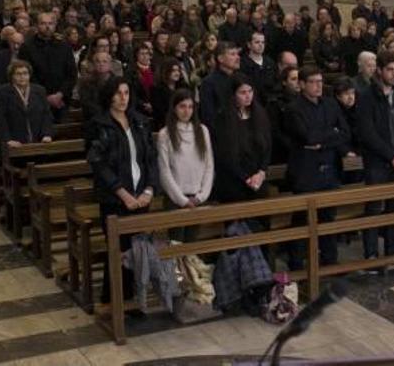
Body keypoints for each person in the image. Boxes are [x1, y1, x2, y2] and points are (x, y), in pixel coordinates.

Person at [87, 77, 157, 304]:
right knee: (119, 251)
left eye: (126, 93)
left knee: (139, 249)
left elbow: (151, 159)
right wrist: (123, 194)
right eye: (118, 93)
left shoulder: (140, 121)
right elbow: (99, 164)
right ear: (109, 96)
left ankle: (136, 299)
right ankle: (115, 302)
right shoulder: (99, 124)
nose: (122, 98)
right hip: (114, 199)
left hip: (141, 197)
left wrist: (149, 190)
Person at [284, 66, 351, 269]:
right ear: (302, 84)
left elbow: (345, 133)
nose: (318, 86)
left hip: (329, 169)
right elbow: (307, 137)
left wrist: (322, 142)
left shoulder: (330, 104)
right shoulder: (294, 108)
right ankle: (296, 262)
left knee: (328, 217)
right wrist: (331, 133)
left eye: (321, 81)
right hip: (306, 172)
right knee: (302, 219)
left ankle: (330, 260)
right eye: (313, 82)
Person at [356, 51, 394, 260]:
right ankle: (371, 253)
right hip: (377, 162)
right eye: (389, 69)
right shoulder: (366, 96)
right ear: (379, 71)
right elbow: (368, 133)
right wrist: (392, 156)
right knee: (374, 207)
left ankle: (393, 251)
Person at [157, 89, 214, 240]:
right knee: (176, 244)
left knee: (192, 244)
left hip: (197, 197)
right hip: (176, 199)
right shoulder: (165, 134)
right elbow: (165, 171)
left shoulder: (202, 131)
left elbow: (209, 166)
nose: (186, 111)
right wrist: (182, 200)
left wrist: (201, 196)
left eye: (190, 107)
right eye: (182, 106)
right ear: (174, 108)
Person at [210, 76, 272, 203]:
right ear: (233, 95)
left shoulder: (260, 114)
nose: (248, 96)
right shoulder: (223, 118)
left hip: (258, 180)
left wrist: (261, 172)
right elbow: (224, 154)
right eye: (243, 92)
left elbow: (268, 146)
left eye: (250, 91)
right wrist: (246, 178)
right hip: (234, 181)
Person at [17, 12, 77, 121]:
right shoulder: (27, 47)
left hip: (62, 101)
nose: (47, 27)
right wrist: (46, 97)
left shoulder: (64, 46)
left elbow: (71, 74)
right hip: (36, 101)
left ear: (55, 25)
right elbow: (27, 75)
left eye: (50, 23)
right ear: (37, 25)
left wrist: (60, 94)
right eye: (43, 23)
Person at [0, 60, 54, 155]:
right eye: (18, 74)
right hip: (12, 144)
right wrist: (8, 140)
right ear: (11, 76)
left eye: (25, 73)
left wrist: (46, 134)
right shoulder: (2, 92)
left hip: (37, 142)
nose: (22, 77)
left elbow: (46, 115)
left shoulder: (40, 90)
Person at [199, 42, 240, 128]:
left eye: (237, 54)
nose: (238, 57)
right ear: (220, 58)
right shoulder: (209, 83)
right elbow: (208, 116)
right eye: (232, 54)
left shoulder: (241, 79)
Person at [267, 65, 300, 165]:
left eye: (300, 79)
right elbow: (275, 131)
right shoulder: (275, 103)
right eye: (294, 79)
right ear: (284, 82)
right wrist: (294, 147)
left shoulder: (306, 100)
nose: (298, 82)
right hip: (283, 153)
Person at [240, 31, 277, 105]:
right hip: (252, 102)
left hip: (270, 103)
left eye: (263, 42)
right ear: (249, 45)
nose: (261, 45)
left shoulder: (270, 62)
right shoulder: (242, 64)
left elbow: (275, 82)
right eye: (257, 42)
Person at [151, 59, 188, 132]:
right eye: (173, 71)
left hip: (184, 124)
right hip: (166, 126)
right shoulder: (157, 90)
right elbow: (160, 112)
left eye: (178, 70)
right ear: (166, 71)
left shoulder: (184, 87)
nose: (177, 73)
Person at [124, 44, 155, 119]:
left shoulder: (154, 68)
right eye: (142, 54)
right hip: (139, 108)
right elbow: (131, 92)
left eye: (147, 53)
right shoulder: (131, 71)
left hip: (155, 106)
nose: (145, 56)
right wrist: (144, 104)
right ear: (136, 55)